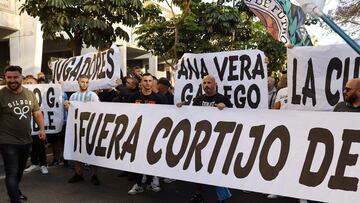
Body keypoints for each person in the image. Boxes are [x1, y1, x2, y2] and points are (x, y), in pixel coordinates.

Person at [177, 75, 232, 203]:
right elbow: (192, 115)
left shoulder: (223, 99)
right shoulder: (198, 99)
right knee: (198, 167)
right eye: (204, 83)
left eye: (209, 83)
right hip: (201, 139)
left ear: (215, 84)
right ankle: (199, 194)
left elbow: (233, 116)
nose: (206, 85)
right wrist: (182, 108)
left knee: (217, 168)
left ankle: (222, 196)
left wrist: (226, 108)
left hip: (217, 139)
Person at [0, 65, 46, 203]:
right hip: (7, 141)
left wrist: (42, 129)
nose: (12, 80)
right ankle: (15, 199)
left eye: (15, 77)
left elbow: (37, 113)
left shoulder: (29, 94)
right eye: (9, 77)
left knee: (19, 171)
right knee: (12, 172)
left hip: (26, 141)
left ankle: (15, 191)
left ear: (21, 77)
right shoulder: (1, 95)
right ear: (5, 78)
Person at [127, 73, 167, 195]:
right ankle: (138, 184)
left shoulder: (159, 99)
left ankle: (150, 183)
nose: (148, 83)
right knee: (137, 160)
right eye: (145, 81)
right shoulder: (132, 97)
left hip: (153, 134)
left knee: (151, 159)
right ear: (141, 83)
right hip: (137, 133)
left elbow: (166, 116)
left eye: (150, 81)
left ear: (153, 83)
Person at [63, 75, 100, 186]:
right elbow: (69, 111)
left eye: (86, 82)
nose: (84, 84)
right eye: (82, 82)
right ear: (78, 82)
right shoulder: (73, 96)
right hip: (76, 126)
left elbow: (99, 109)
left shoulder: (92, 95)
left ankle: (94, 175)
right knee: (76, 150)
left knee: (91, 150)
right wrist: (66, 106)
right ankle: (78, 174)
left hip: (89, 127)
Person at [22, 75, 49, 174]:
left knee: (40, 144)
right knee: (31, 145)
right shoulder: (22, 93)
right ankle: (34, 163)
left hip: (38, 122)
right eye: (27, 83)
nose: (29, 85)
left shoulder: (41, 92)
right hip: (28, 123)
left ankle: (43, 164)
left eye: (31, 83)